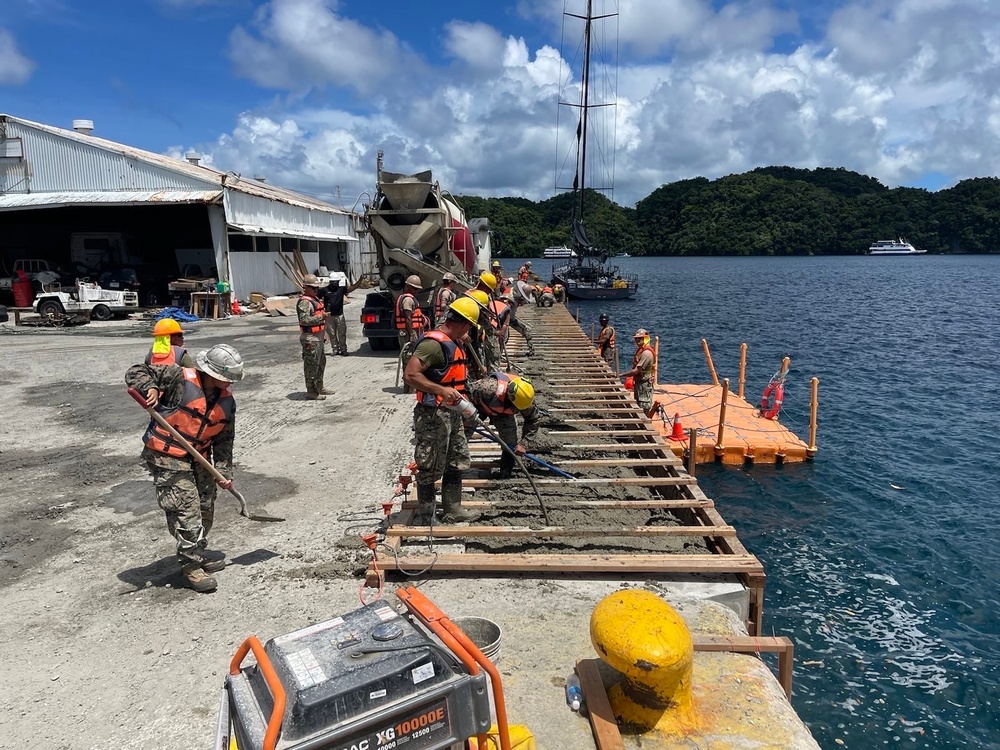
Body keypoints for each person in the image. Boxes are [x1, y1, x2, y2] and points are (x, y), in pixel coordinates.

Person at [124, 344, 244, 593]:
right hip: (167, 456)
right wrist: (152, 387)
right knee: (186, 508)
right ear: (211, 373)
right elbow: (135, 372)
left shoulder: (227, 402)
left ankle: (196, 551)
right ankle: (190, 566)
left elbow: (224, 441)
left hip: (197, 456)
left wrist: (224, 472)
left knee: (205, 505)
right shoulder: (178, 377)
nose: (229, 383)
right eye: (226, 378)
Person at [403, 297, 482, 525]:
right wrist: (440, 390)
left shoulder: (452, 340)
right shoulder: (432, 345)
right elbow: (410, 375)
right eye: (469, 327)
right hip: (433, 415)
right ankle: (428, 517)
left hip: (452, 412)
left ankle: (453, 509)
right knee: (429, 464)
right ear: (464, 323)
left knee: (457, 459)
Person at [465, 372, 541, 479]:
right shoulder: (487, 388)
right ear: (510, 396)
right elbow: (466, 394)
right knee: (462, 434)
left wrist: (524, 443)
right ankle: (452, 465)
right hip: (478, 406)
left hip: (503, 413)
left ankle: (505, 473)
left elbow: (533, 420)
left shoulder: (526, 399)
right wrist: (465, 417)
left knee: (509, 442)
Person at [297, 274, 332, 400]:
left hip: (318, 337)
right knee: (311, 365)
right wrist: (321, 317)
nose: (316, 290)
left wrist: (324, 333)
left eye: (317, 288)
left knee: (321, 362)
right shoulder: (305, 302)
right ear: (306, 287)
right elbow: (304, 320)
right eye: (313, 288)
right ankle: (311, 391)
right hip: (310, 339)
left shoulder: (314, 299)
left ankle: (319, 386)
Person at [319, 273, 363, 356]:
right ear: (331, 282)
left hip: (339, 315)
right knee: (332, 333)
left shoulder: (341, 289)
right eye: (335, 282)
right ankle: (335, 349)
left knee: (342, 332)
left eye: (337, 282)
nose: (336, 283)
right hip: (329, 315)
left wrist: (360, 281)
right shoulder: (324, 290)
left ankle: (343, 349)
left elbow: (351, 288)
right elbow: (317, 297)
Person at [621, 328, 656, 413]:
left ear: (645, 338)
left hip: (644, 385)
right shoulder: (641, 351)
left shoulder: (646, 353)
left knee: (643, 407)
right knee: (638, 405)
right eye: (636, 339)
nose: (637, 340)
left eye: (640, 338)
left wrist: (621, 375)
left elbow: (637, 370)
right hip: (639, 383)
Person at [395, 275, 428, 346]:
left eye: (417, 289)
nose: (416, 291)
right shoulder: (408, 300)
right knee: (408, 354)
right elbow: (408, 318)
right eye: (414, 289)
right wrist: (412, 334)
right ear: (408, 287)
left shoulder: (410, 298)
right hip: (408, 331)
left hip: (412, 330)